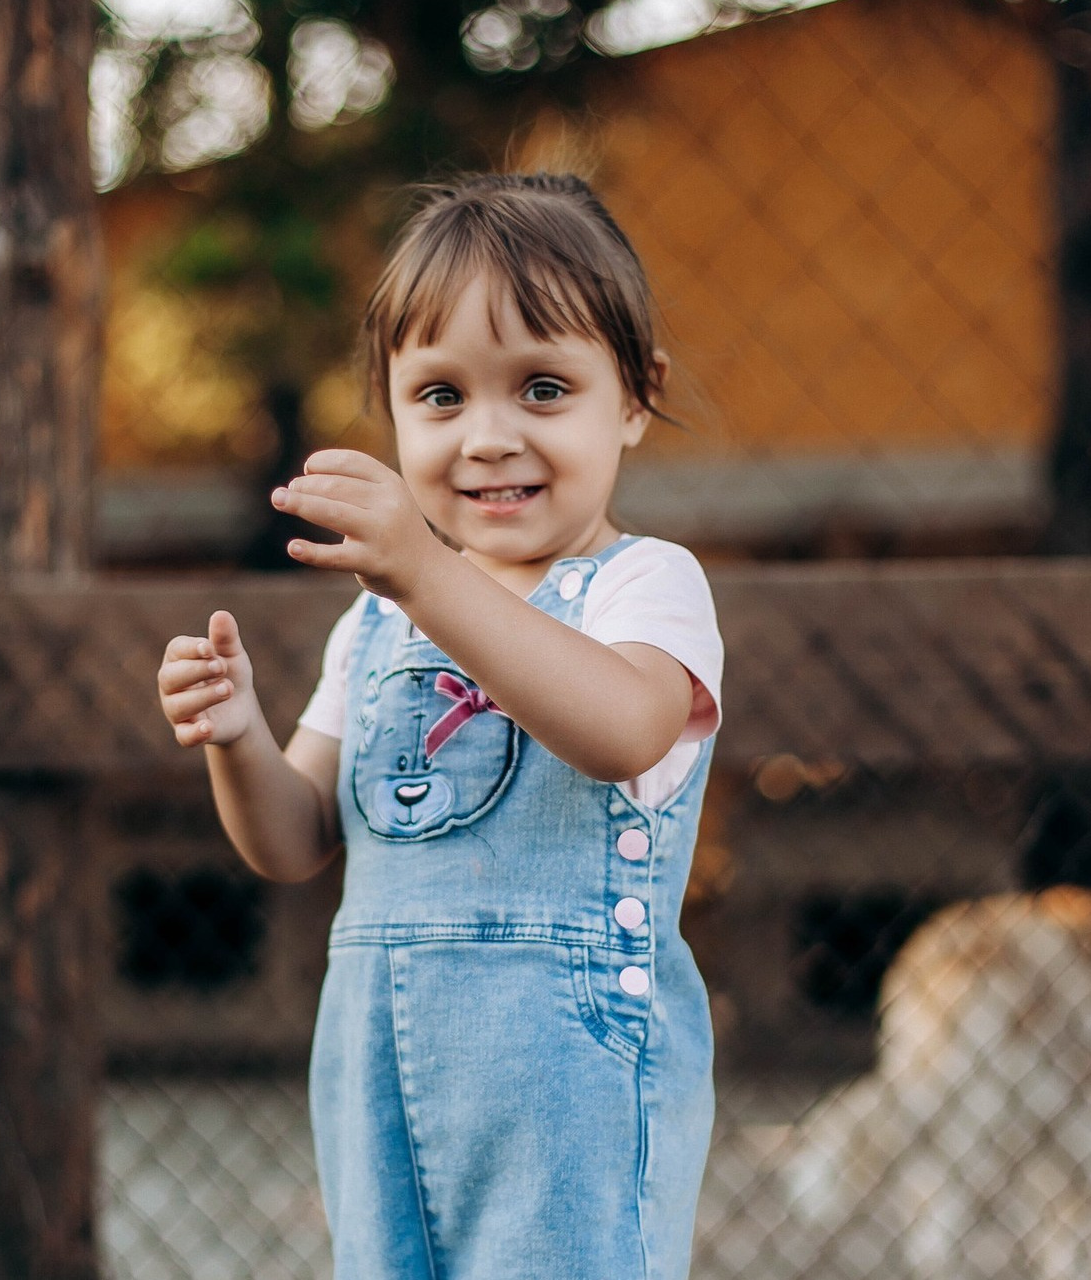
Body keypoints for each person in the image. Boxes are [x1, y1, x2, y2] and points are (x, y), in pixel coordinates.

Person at [157, 172, 724, 1280]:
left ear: (634, 398)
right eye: (441, 396)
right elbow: (292, 836)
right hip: (377, 1078)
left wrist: (424, 571)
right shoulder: (376, 620)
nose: (488, 437)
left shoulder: (643, 586)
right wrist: (236, 736)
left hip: (569, 1096)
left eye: (544, 388)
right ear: (392, 408)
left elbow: (623, 729)